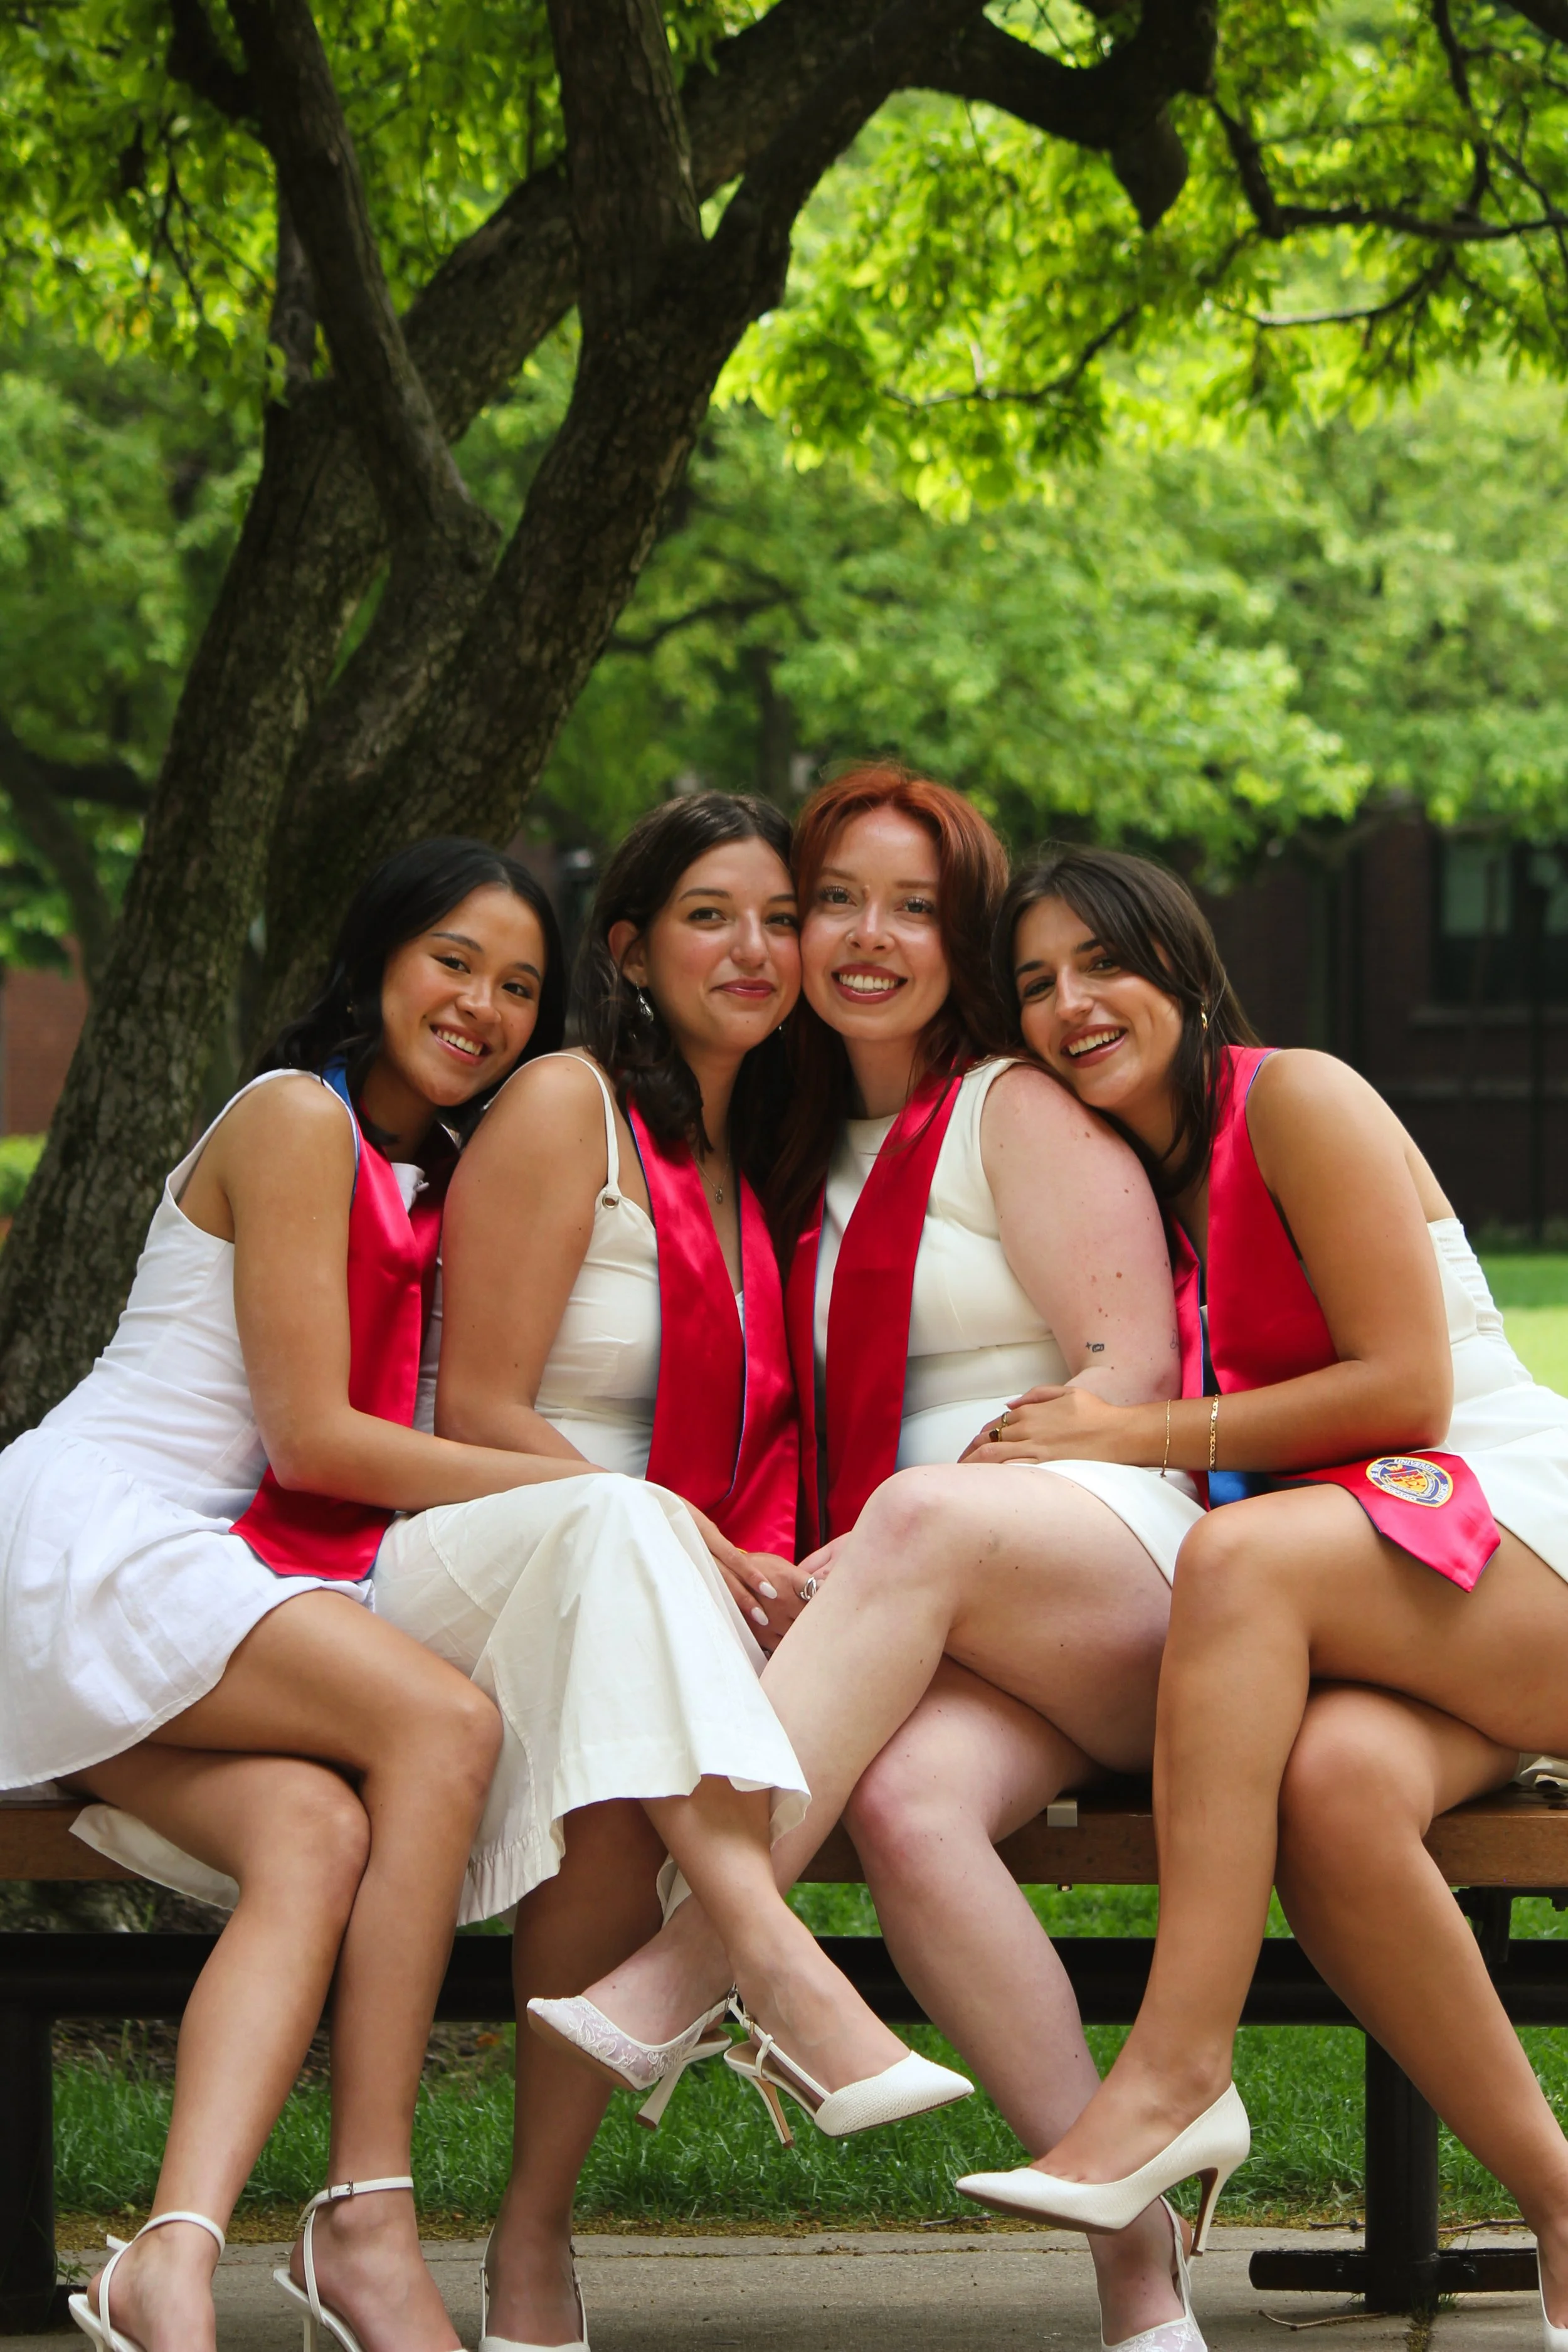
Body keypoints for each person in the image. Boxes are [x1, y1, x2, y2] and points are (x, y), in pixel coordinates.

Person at [544, 770, 1212, 2351]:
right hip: (933, 1623)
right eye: (832, 899)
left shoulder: (1009, 1106)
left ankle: (692, 1966)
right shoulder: (782, 1148)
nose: (866, 937)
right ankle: (1140, 2279)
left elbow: (1129, 1373)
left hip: (1107, 1568)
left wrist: (918, 1519)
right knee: (910, 1812)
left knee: (914, 1518)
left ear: (960, 938)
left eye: (914, 908)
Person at [950, 844, 1568, 2352]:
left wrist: (1125, 1435)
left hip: (1511, 1534)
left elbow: (1405, 1390)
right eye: (1034, 983)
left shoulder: (1297, 1098)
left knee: (1236, 1562)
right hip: (1381, 1601)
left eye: (1102, 962)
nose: (1070, 1003)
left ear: (1180, 966)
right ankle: (1562, 2206)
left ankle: (1173, 2071)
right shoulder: (1133, 1193)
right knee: (1331, 1790)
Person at [373, 792, 970, 2352]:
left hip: (636, 1596)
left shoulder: (750, 1159)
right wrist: (674, 1531)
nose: (756, 948)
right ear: (631, 951)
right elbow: (477, 1407)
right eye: (711, 916)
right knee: (627, 1549)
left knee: (614, 1796)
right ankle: (771, 1962)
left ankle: (530, 2240)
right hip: (480, 1546)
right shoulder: (565, 1103)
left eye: (778, 917)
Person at [0, 838, 578, 2352]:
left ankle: (168, 2258)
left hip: (199, 1589)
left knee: (315, 1834)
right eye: (454, 961)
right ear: (377, 957)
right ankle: (368, 2221)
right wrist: (603, 1500)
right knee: (442, 1726)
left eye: (520, 987)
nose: (481, 1006)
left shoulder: (442, 1177)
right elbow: (314, 1439)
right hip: (106, 1542)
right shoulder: (291, 1118)